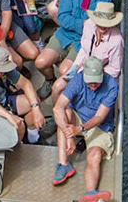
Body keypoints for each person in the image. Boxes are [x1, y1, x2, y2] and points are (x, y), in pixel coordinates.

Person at [35, 0, 114, 75]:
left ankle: (65, 73)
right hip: (64, 34)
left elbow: (96, 26)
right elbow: (62, 19)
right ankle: (50, 81)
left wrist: (80, 24)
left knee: (64, 71)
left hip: (84, 40)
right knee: (40, 62)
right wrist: (84, 23)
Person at [51, 55, 119, 189]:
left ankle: (90, 192)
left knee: (94, 156)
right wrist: (69, 134)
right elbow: (57, 107)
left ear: (103, 74)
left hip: (100, 126)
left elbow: (99, 117)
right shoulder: (77, 79)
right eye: (89, 81)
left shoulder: (112, 86)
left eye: (96, 82)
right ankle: (63, 165)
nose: (93, 85)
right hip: (78, 118)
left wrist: (79, 130)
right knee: (64, 114)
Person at [61, 4, 124, 84]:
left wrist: (94, 75)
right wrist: (76, 66)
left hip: (101, 76)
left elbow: (114, 69)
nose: (103, 26)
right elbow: (84, 50)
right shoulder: (88, 25)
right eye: (100, 22)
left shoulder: (117, 40)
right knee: (57, 87)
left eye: (106, 23)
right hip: (84, 67)